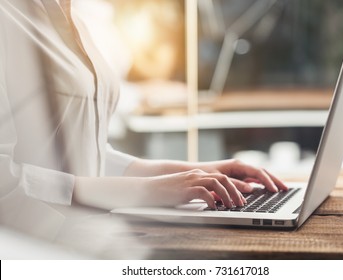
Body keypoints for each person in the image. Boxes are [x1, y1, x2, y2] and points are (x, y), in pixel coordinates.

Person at [0, 0, 287, 218]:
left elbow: (87, 154)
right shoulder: (8, 16)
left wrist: (196, 172)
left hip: (91, 233)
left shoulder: (76, 17)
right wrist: (148, 191)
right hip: (38, 250)